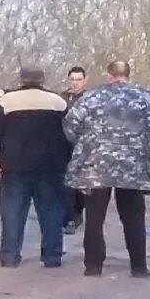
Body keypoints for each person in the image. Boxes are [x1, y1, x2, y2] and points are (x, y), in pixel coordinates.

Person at [64, 61, 150, 278]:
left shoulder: (92, 98)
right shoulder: (145, 98)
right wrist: (149, 145)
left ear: (109, 76)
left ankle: (93, 266)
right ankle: (139, 266)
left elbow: (70, 124)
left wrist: (85, 143)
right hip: (133, 166)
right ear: (127, 75)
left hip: (95, 165)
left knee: (94, 216)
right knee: (133, 216)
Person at [0, 67, 69, 268]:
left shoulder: (7, 102)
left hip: (15, 166)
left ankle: (9, 256)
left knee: (12, 211)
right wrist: (67, 159)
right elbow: (70, 134)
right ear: (42, 80)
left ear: (21, 80)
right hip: (50, 165)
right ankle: (52, 256)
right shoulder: (58, 102)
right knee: (51, 211)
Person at [61, 66, 88, 235]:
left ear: (84, 81)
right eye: (73, 79)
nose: (75, 83)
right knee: (67, 184)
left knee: (82, 185)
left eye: (79, 80)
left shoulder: (90, 99)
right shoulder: (61, 99)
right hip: (65, 146)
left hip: (85, 146)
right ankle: (70, 218)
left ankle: (79, 212)